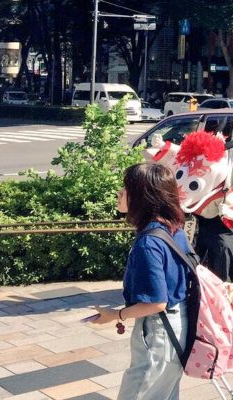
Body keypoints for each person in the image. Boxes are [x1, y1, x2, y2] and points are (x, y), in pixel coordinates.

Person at [88, 162, 192, 400]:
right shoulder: (173, 228)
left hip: (159, 331)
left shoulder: (148, 243)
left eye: (126, 189)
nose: (119, 193)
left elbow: (156, 303)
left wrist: (115, 315)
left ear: (142, 196)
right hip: (178, 326)